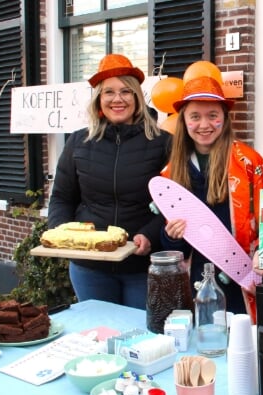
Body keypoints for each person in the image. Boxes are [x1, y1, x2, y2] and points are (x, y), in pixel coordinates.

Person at [48, 54, 170, 308]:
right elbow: (61, 197)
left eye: (126, 91)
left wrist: (149, 234)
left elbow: (175, 204)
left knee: (139, 337)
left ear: (136, 97)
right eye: (109, 92)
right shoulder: (78, 142)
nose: (117, 99)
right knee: (98, 332)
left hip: (141, 266)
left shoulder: (163, 143)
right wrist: (61, 232)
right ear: (98, 100)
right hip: (89, 267)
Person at [160, 74, 263, 317]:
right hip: (199, 279)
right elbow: (171, 243)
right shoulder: (172, 171)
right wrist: (172, 236)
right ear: (184, 121)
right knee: (208, 342)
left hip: (246, 276)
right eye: (195, 116)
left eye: (213, 115)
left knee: (246, 342)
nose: (204, 124)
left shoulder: (249, 163)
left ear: (224, 118)